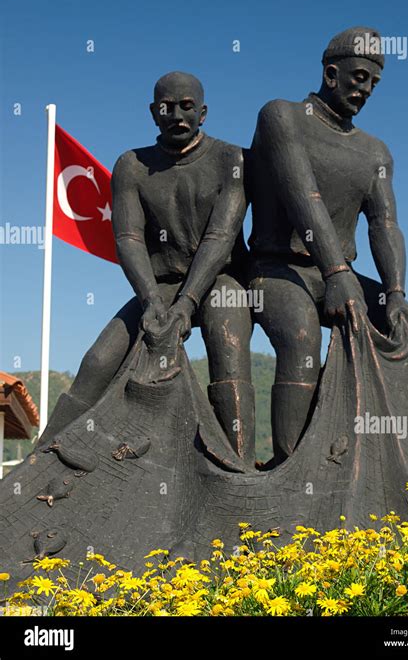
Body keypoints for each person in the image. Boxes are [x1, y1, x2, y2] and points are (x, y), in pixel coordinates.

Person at [248, 27, 408, 464]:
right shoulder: (282, 116)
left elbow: (385, 225)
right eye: (359, 77)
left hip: (340, 276)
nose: (366, 90)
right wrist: (337, 273)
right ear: (330, 72)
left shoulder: (374, 152)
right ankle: (291, 468)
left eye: (374, 83)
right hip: (276, 270)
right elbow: (301, 194)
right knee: (301, 336)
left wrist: (395, 293)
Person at [41, 71, 255, 465]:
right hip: (158, 285)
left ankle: (237, 466)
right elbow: (129, 239)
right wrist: (151, 299)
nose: (176, 114)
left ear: (203, 113)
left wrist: (188, 303)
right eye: (166, 107)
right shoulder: (132, 165)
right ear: (152, 113)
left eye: (187, 107)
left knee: (228, 350)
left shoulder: (231, 159)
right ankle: (47, 451)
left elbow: (220, 236)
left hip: (218, 278)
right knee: (99, 359)